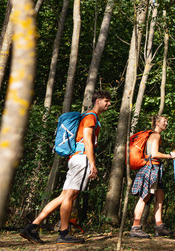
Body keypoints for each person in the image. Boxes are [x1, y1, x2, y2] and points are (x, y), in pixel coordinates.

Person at [20, 90, 112, 244]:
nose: (108, 104)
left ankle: (32, 227)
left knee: (64, 196)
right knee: (70, 196)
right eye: (106, 101)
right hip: (82, 158)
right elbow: (87, 140)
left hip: (76, 158)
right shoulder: (91, 117)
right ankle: (63, 233)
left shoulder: (89, 117)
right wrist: (93, 163)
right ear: (98, 101)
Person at [129, 114, 175, 238]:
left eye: (166, 121)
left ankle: (159, 227)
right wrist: (169, 156)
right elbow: (154, 153)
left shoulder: (152, 135)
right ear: (157, 123)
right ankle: (135, 227)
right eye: (164, 121)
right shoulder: (155, 135)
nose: (166, 123)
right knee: (145, 197)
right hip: (151, 168)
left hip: (154, 168)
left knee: (160, 195)